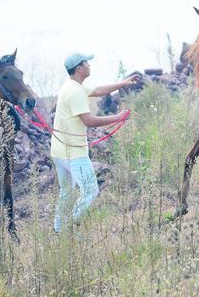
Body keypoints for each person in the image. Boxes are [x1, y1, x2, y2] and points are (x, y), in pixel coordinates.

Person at [51, 52, 140, 233]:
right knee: (91, 191)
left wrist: (123, 83)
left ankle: (59, 229)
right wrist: (117, 117)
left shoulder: (72, 86)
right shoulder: (75, 91)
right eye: (87, 63)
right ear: (79, 68)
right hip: (74, 153)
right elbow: (89, 121)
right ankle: (69, 229)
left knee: (66, 192)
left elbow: (98, 90)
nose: (89, 65)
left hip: (59, 151)